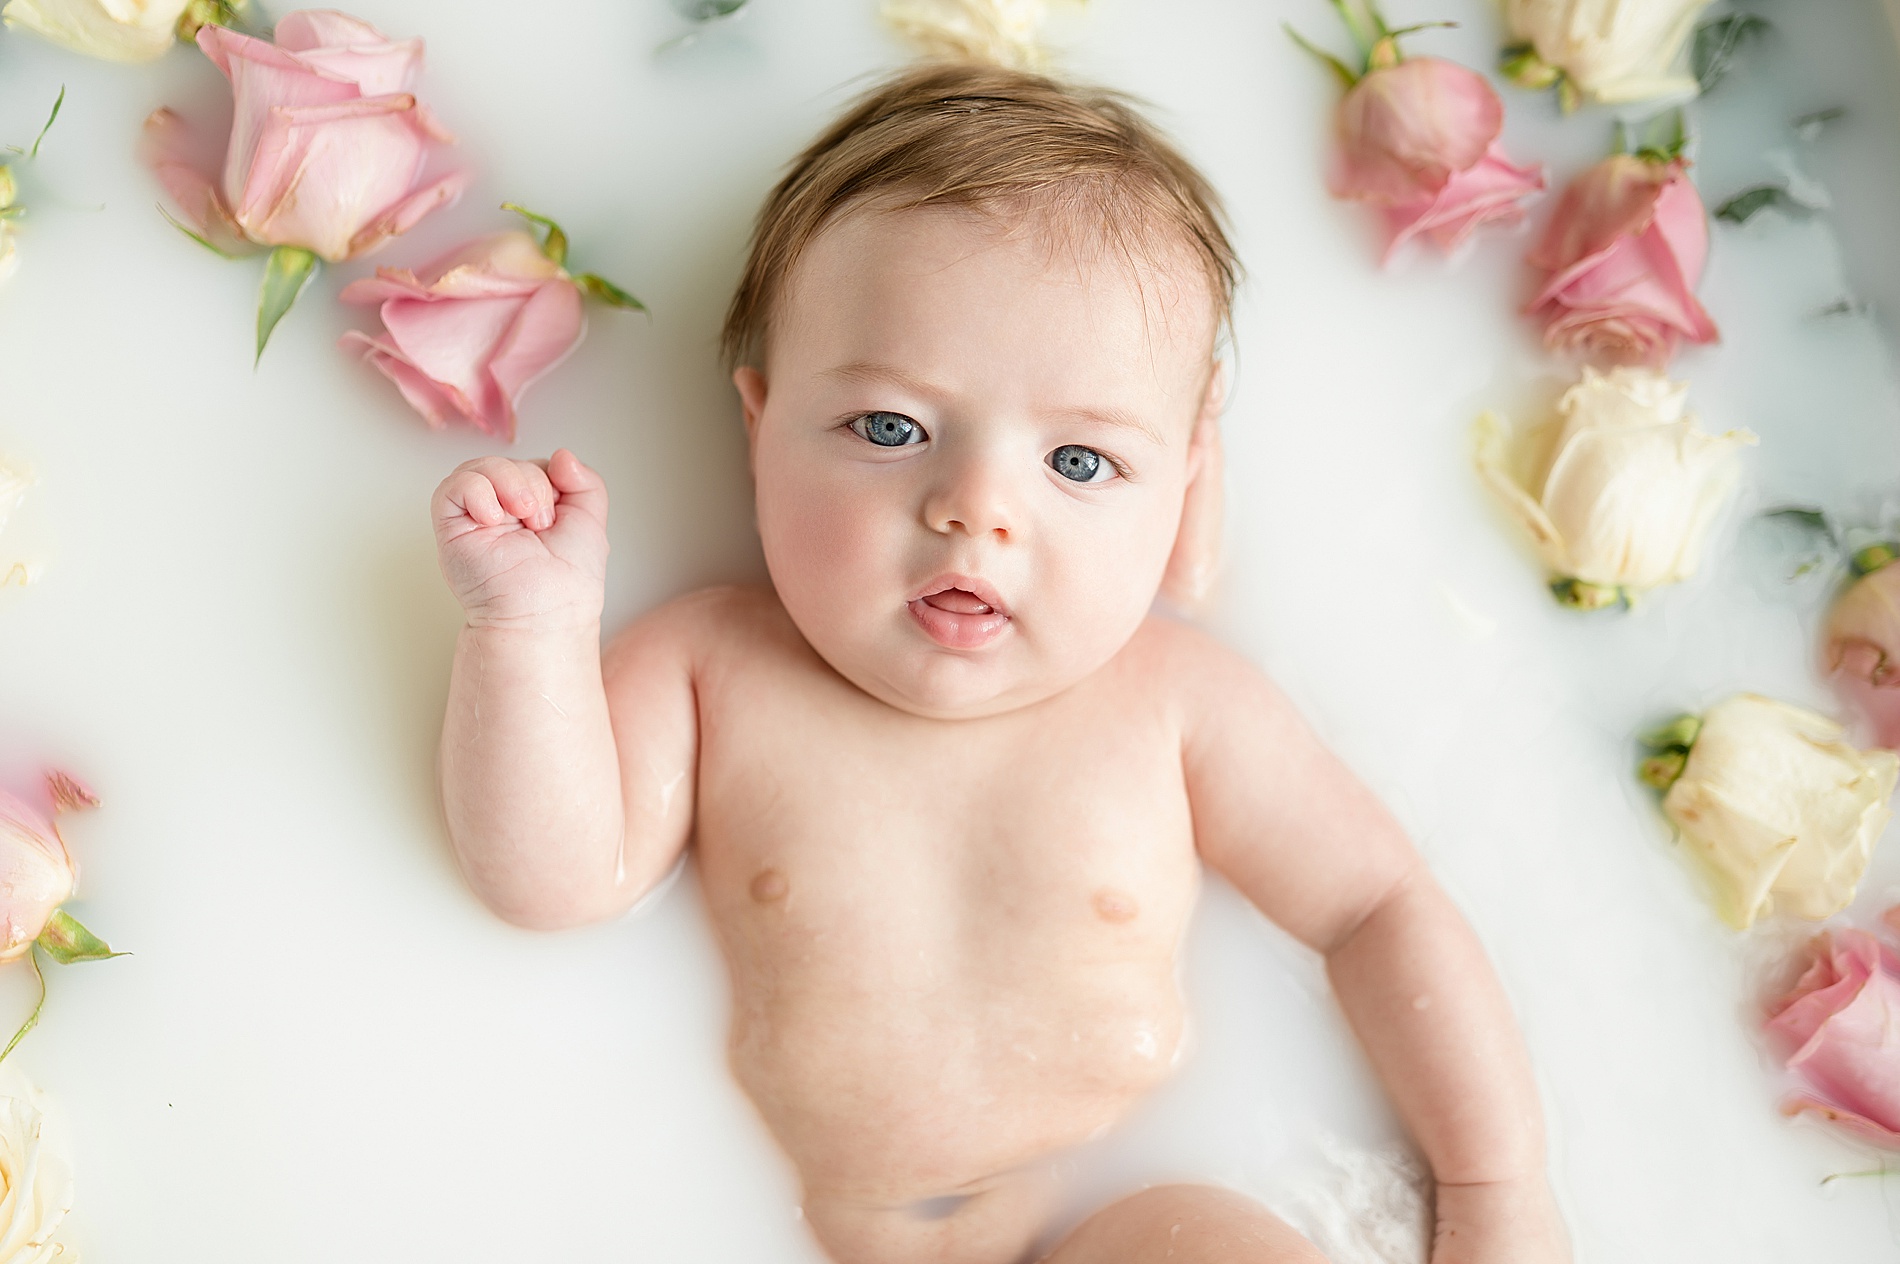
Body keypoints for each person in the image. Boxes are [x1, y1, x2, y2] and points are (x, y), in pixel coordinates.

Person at [429, 61, 1570, 1264]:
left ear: (1184, 482)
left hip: (1119, 1213)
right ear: (759, 428)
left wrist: (1496, 1188)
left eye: (1077, 463)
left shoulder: (1175, 705)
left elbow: (1375, 908)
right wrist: (529, 632)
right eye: (890, 428)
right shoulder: (716, 667)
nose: (975, 511)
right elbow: (550, 879)